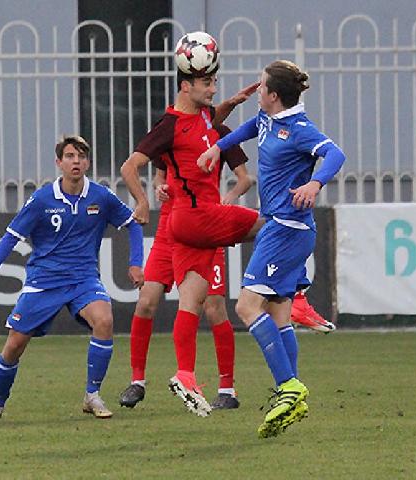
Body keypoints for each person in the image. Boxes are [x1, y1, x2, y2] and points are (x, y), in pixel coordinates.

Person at [197, 60, 346, 437]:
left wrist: (314, 185)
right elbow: (249, 128)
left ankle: (289, 388)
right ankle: (291, 392)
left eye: (261, 86)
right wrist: (218, 146)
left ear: (274, 95)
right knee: (280, 313)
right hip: (280, 227)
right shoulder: (267, 120)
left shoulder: (298, 128)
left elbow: (336, 155)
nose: (256, 90)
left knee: (246, 306)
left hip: (287, 229)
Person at [121, 65, 263, 417]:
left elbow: (243, 176)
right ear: (188, 86)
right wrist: (151, 194)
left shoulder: (215, 127)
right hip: (185, 221)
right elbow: (152, 167)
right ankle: (138, 381)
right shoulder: (171, 127)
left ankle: (215, 384)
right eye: (208, 83)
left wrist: (227, 199)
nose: (214, 89)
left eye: (215, 83)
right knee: (148, 302)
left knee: (206, 304)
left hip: (203, 218)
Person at [0, 135, 144, 421]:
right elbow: (10, 237)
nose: (75, 161)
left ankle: (92, 395)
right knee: (15, 343)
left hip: (83, 279)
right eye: (69, 156)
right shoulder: (41, 199)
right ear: (59, 162)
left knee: (104, 320)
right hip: (44, 280)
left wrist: (136, 263)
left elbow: (132, 225)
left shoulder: (101, 196)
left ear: (87, 162)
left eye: (80, 156)